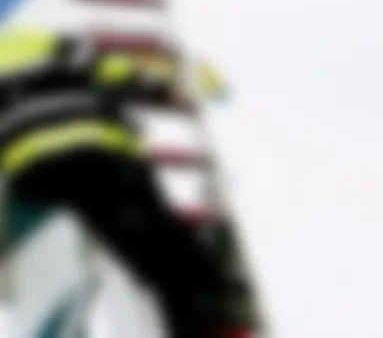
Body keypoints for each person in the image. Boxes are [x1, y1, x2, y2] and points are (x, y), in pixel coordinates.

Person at [0, 24, 243, 338]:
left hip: (34, 167)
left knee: (130, 246)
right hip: (99, 150)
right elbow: (121, 71)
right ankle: (211, 326)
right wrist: (173, 91)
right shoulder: (47, 42)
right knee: (166, 250)